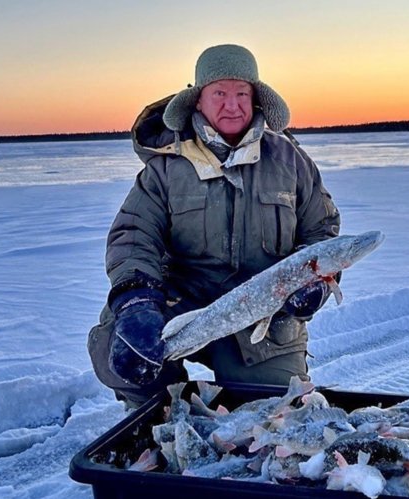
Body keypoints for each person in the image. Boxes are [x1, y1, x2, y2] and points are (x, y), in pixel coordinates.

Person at [88, 44, 341, 407]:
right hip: (183, 305)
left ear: (256, 100)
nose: (232, 105)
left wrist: (314, 280)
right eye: (219, 93)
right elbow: (133, 235)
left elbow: (322, 231)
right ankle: (161, 410)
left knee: (274, 412)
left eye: (242, 94)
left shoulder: (290, 161)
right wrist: (136, 300)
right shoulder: (166, 166)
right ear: (198, 101)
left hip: (261, 316)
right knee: (122, 346)